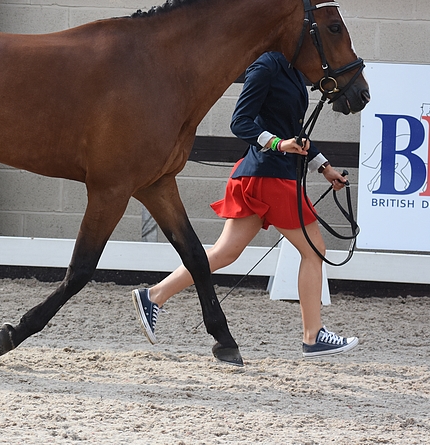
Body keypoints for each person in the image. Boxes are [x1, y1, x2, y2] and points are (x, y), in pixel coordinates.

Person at [132, 50, 359, 358]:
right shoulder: (266, 66)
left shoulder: (292, 71)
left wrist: (324, 166)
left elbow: (295, 131)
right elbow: (240, 122)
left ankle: (154, 296)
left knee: (224, 253)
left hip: (266, 175)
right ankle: (313, 335)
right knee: (314, 250)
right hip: (270, 177)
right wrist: (279, 144)